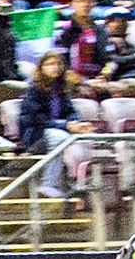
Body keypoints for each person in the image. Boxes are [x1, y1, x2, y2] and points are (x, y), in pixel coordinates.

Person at [18, 50, 94, 199]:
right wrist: (65, 125)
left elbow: (70, 111)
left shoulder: (61, 89)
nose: (55, 67)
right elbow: (35, 120)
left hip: (57, 131)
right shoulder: (33, 90)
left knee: (86, 137)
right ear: (41, 68)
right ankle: (47, 184)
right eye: (50, 64)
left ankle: (78, 183)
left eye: (57, 64)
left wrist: (77, 123)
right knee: (60, 137)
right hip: (35, 135)